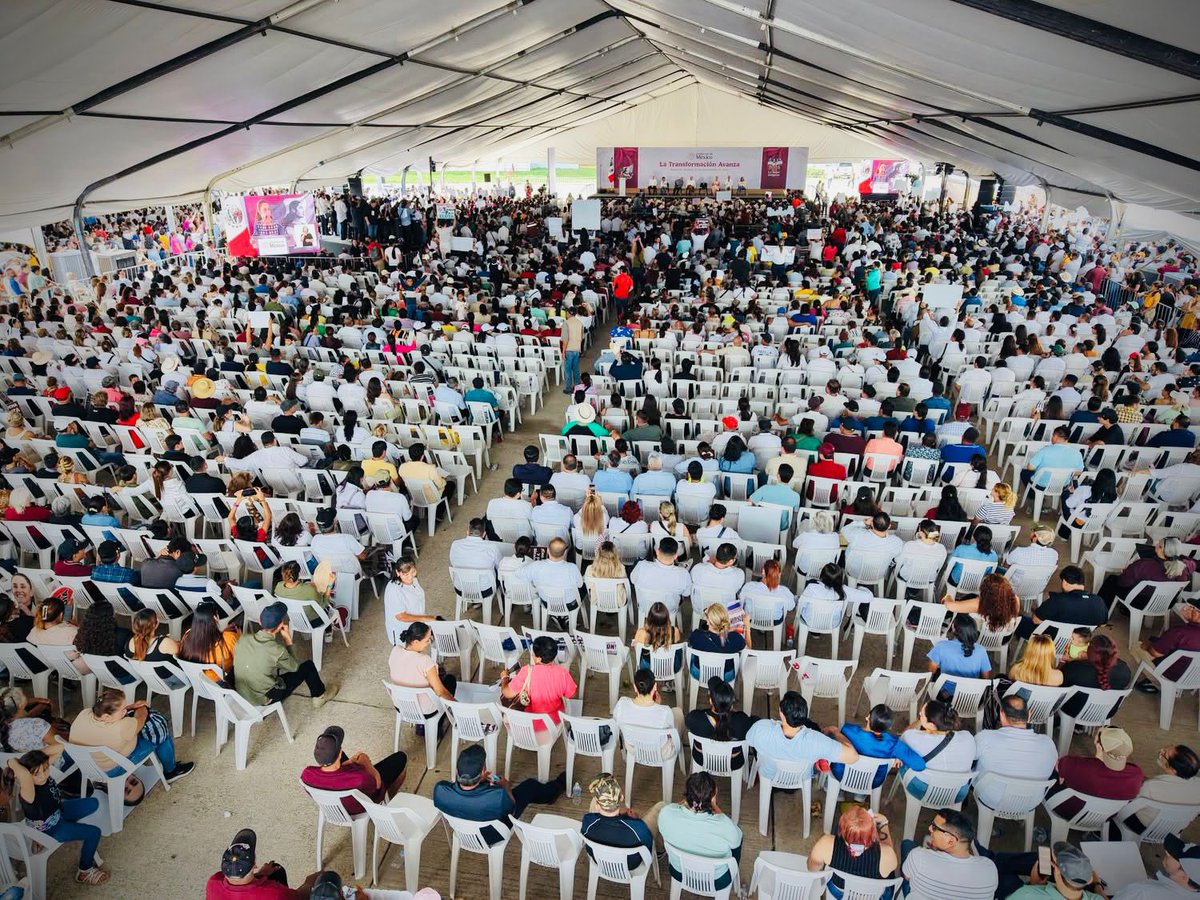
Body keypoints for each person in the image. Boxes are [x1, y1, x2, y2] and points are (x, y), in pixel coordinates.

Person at [8, 746, 110, 886]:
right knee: (94, 832)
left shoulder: (40, 773)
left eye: (45, 769)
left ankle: (69, 827)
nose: (43, 775)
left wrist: (36, 758)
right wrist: (14, 762)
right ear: (26, 774)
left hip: (59, 811)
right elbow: (22, 773)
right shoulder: (28, 791)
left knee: (93, 803)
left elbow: (60, 747)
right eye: (36, 773)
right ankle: (84, 870)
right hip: (52, 830)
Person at [432, 744, 566, 843]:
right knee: (529, 786)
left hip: (463, 834)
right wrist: (505, 786)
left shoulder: (440, 790)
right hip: (492, 835)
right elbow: (512, 809)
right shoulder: (497, 796)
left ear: (456, 771)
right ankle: (555, 789)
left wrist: (480, 780)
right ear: (484, 770)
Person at [69, 686, 194, 783]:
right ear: (107, 716)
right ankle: (171, 771)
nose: (125, 711)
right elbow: (142, 716)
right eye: (122, 709)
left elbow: (117, 715)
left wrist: (130, 707)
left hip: (88, 766)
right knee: (159, 733)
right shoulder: (121, 727)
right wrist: (141, 706)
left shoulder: (84, 713)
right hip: (113, 769)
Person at [233, 601, 338, 708]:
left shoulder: (242, 639)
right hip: (264, 698)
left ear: (260, 621)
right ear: (280, 625)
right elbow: (294, 667)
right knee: (308, 666)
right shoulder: (276, 650)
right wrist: (288, 639)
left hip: (241, 693)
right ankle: (320, 697)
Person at [655, 772, 743, 893]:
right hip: (717, 879)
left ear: (686, 796)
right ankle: (735, 873)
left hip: (679, 872)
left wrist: (690, 800)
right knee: (737, 841)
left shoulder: (666, 814)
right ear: (713, 798)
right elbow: (736, 840)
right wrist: (715, 806)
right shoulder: (726, 826)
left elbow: (675, 806)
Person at [747, 690, 857, 782]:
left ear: (781, 712)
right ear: (804, 715)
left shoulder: (761, 728)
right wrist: (836, 731)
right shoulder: (817, 740)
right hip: (800, 780)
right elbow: (853, 757)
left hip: (768, 777)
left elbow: (750, 741)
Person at [300, 724, 408, 814]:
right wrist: (366, 764)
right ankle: (389, 795)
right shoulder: (359, 778)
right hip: (359, 806)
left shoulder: (306, 774)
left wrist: (350, 762)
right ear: (340, 752)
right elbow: (377, 784)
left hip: (336, 808)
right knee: (401, 757)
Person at [973, 695, 1058, 808]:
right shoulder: (1048, 744)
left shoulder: (985, 738)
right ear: (1029, 715)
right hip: (1031, 803)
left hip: (991, 800)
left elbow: (969, 759)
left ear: (1002, 714)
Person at [901, 809, 998, 900]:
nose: (929, 828)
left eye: (934, 827)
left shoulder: (919, 857)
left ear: (951, 841)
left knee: (907, 844)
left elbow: (907, 877)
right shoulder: (990, 868)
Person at [1048, 727, 1144, 817]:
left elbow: (1058, 765)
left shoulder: (1076, 765)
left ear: (1099, 747)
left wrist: (1063, 772)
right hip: (1105, 817)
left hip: (1068, 811)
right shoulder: (1136, 775)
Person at [807, 806, 898, 898]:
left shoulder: (826, 843)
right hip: (872, 896)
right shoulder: (887, 854)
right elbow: (890, 856)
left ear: (842, 830)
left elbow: (812, 868)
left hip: (839, 893)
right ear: (873, 833)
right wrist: (884, 824)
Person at [899, 700, 977, 799]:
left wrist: (920, 722)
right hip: (957, 794)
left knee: (903, 758)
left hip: (922, 790)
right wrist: (925, 720)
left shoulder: (912, 737)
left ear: (931, 725)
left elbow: (903, 738)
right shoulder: (968, 737)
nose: (919, 714)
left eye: (921, 715)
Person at [581, 772, 655, 872]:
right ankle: (659, 852)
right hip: (630, 865)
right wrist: (634, 820)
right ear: (621, 798)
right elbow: (648, 844)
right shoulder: (638, 827)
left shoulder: (588, 821)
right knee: (660, 807)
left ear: (597, 805)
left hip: (599, 861)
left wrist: (625, 818)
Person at [500, 635, 577, 728]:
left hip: (529, 722)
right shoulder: (562, 672)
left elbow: (507, 693)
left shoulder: (526, 671)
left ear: (538, 658)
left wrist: (505, 677)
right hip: (553, 722)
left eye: (533, 653)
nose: (532, 655)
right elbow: (572, 694)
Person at [206, 827, 303, 899]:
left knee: (277, 870)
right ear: (254, 865)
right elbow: (302, 895)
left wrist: (261, 875)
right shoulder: (274, 894)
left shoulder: (213, 883)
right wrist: (314, 878)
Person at [1100, 537, 1195, 609]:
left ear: (1161, 549)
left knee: (1112, 580)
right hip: (1166, 603)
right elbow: (1193, 564)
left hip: (1141, 602)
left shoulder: (1144, 564)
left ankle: (1100, 611)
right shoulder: (1184, 567)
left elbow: (1123, 582)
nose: (1156, 544)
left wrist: (1125, 572)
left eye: (1159, 544)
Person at [685, 677, 755, 769]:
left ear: (711, 701)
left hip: (702, 759)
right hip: (733, 763)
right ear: (731, 704)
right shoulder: (742, 721)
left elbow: (687, 723)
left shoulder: (695, 718)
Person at [389, 621, 456, 713]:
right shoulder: (424, 660)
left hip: (400, 705)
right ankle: (438, 723)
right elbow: (440, 692)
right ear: (415, 642)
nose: (429, 643)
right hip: (423, 710)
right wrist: (458, 705)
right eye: (427, 640)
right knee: (450, 680)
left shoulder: (395, 650)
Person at [1134, 601, 1200, 692]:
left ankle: (1156, 683)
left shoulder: (1180, 632)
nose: (1186, 609)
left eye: (1192, 608)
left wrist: (1145, 646)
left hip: (1171, 676)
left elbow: (1155, 652)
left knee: (1135, 646)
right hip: (1195, 678)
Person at [1059, 634, 1132, 715]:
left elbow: (1060, 685)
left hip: (1073, 710)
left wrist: (1065, 662)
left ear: (1089, 651)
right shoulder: (1124, 670)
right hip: (1106, 712)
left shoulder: (1075, 668)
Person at [1111, 833, 1200, 899]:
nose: (1167, 852)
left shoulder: (1142, 893)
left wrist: (1097, 886)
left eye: (1175, 856)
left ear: (1184, 876)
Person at [1007, 841, 1102, 900]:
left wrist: (1032, 885)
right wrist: (1097, 886)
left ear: (1056, 871)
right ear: (1089, 879)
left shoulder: (1026, 894)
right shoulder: (1097, 898)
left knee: (1006, 878)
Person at [178, 601, 239, 684]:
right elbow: (240, 662)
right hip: (220, 683)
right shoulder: (228, 638)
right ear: (215, 618)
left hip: (197, 681)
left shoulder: (187, 635)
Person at [928, 613, 993, 685]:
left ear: (953, 628)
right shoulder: (981, 650)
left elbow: (931, 670)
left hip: (946, 694)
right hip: (972, 693)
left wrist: (935, 654)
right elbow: (986, 676)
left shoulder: (941, 646)